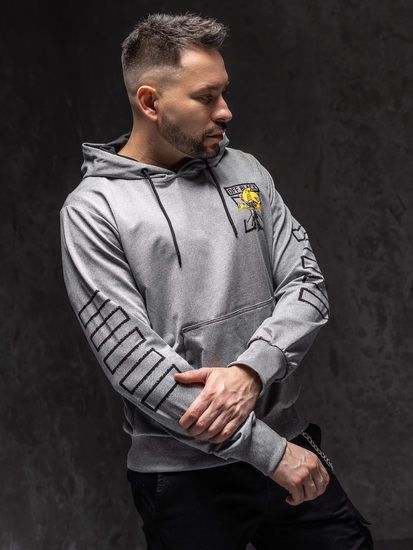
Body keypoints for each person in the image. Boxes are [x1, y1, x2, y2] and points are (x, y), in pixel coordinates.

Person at [60, 12, 374, 550]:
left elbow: (306, 285)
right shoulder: (93, 211)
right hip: (185, 477)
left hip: (289, 440)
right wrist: (268, 454)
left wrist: (252, 371)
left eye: (223, 92)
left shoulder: (246, 172)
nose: (225, 111)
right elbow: (135, 365)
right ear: (150, 102)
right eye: (206, 97)